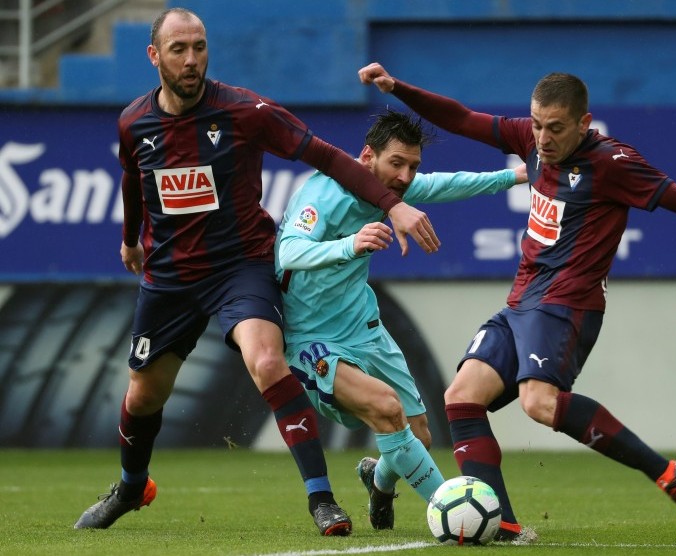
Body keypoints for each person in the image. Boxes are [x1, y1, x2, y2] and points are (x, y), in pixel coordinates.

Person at [358, 62, 676, 541]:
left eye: (555, 128)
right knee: (461, 398)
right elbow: (459, 117)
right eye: (536, 125)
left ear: (583, 122)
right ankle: (505, 526)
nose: (542, 138)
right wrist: (397, 88)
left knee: (539, 402)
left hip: (567, 303)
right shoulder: (529, 142)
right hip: (521, 301)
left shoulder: (612, 164)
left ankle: (669, 474)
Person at [72, 8, 442, 537]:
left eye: (199, 46)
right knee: (143, 396)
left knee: (268, 361)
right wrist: (131, 238)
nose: (192, 59)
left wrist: (394, 203)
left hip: (240, 265)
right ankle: (131, 487)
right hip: (171, 274)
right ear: (154, 56)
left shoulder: (245, 111)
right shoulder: (134, 122)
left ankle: (322, 499)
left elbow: (328, 156)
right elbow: (135, 179)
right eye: (179, 49)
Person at [276, 109, 527, 530]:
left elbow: (448, 184)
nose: (406, 177)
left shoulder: (391, 189)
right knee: (386, 409)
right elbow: (288, 253)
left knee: (418, 435)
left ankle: (379, 480)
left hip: (365, 329)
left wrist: (516, 177)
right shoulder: (322, 193)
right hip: (311, 338)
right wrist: (351, 244)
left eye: (413, 166)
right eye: (397, 163)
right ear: (366, 156)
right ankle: (457, 513)